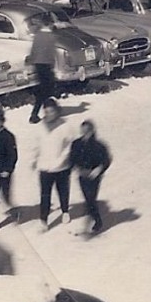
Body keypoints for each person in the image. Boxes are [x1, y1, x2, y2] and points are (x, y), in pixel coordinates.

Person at [32, 99, 76, 227]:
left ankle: (65, 211)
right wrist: (34, 159)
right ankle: (43, 219)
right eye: (46, 112)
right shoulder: (40, 126)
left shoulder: (65, 126)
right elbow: (36, 145)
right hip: (45, 167)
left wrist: (61, 161)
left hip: (62, 167)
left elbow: (70, 147)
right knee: (45, 194)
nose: (48, 114)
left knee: (63, 190)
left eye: (51, 111)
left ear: (56, 111)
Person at [70, 119, 113, 235]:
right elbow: (72, 158)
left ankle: (97, 220)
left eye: (87, 131)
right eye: (83, 131)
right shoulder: (76, 144)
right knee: (88, 198)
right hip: (82, 175)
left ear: (92, 131)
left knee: (91, 197)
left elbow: (106, 160)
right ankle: (93, 214)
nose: (85, 134)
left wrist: (97, 170)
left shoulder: (99, 145)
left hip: (94, 176)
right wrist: (77, 168)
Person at [26, 21, 59, 123]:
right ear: (50, 24)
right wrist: (53, 65)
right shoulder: (51, 36)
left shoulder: (38, 35)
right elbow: (52, 53)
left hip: (38, 64)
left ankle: (46, 110)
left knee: (45, 89)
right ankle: (37, 113)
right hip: (46, 65)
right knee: (45, 90)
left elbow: (33, 50)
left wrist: (32, 61)